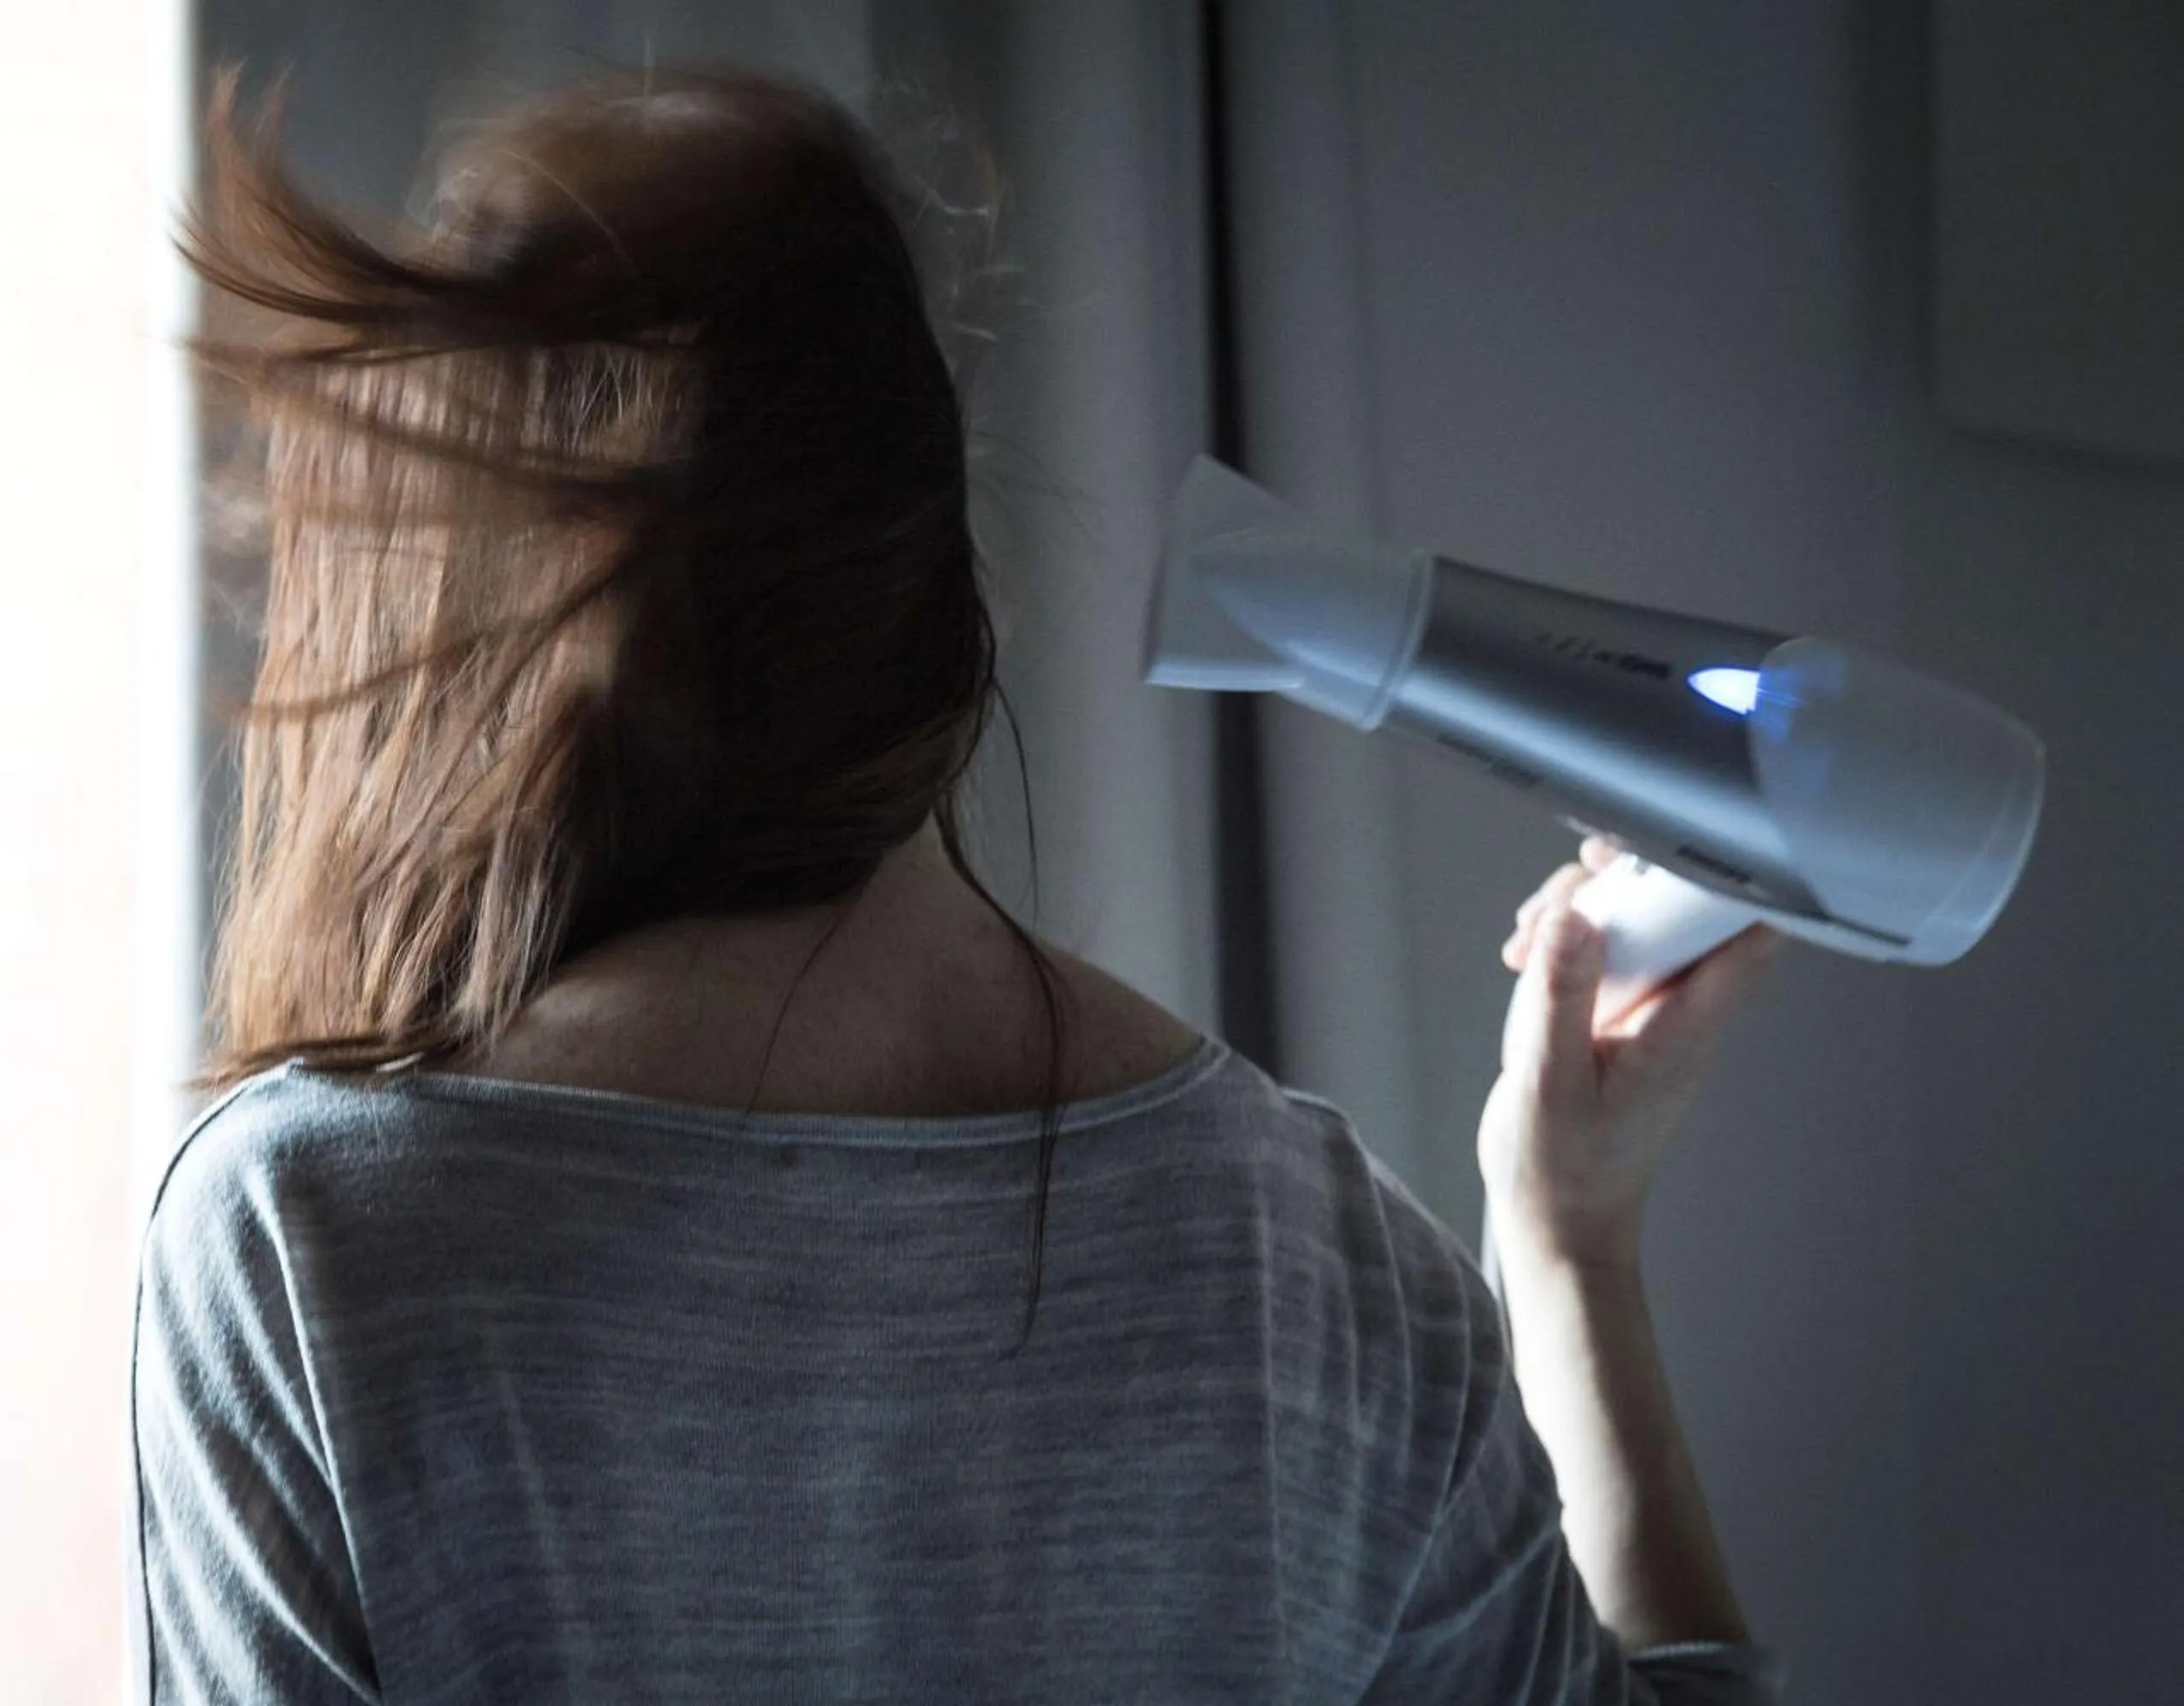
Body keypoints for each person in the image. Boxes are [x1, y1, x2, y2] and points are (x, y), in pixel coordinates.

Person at [132, 66, 1786, 1704]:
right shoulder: (1316, 1256)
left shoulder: (308, 1238)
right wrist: (1572, 1242)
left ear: (452, 632)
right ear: (931, 577)